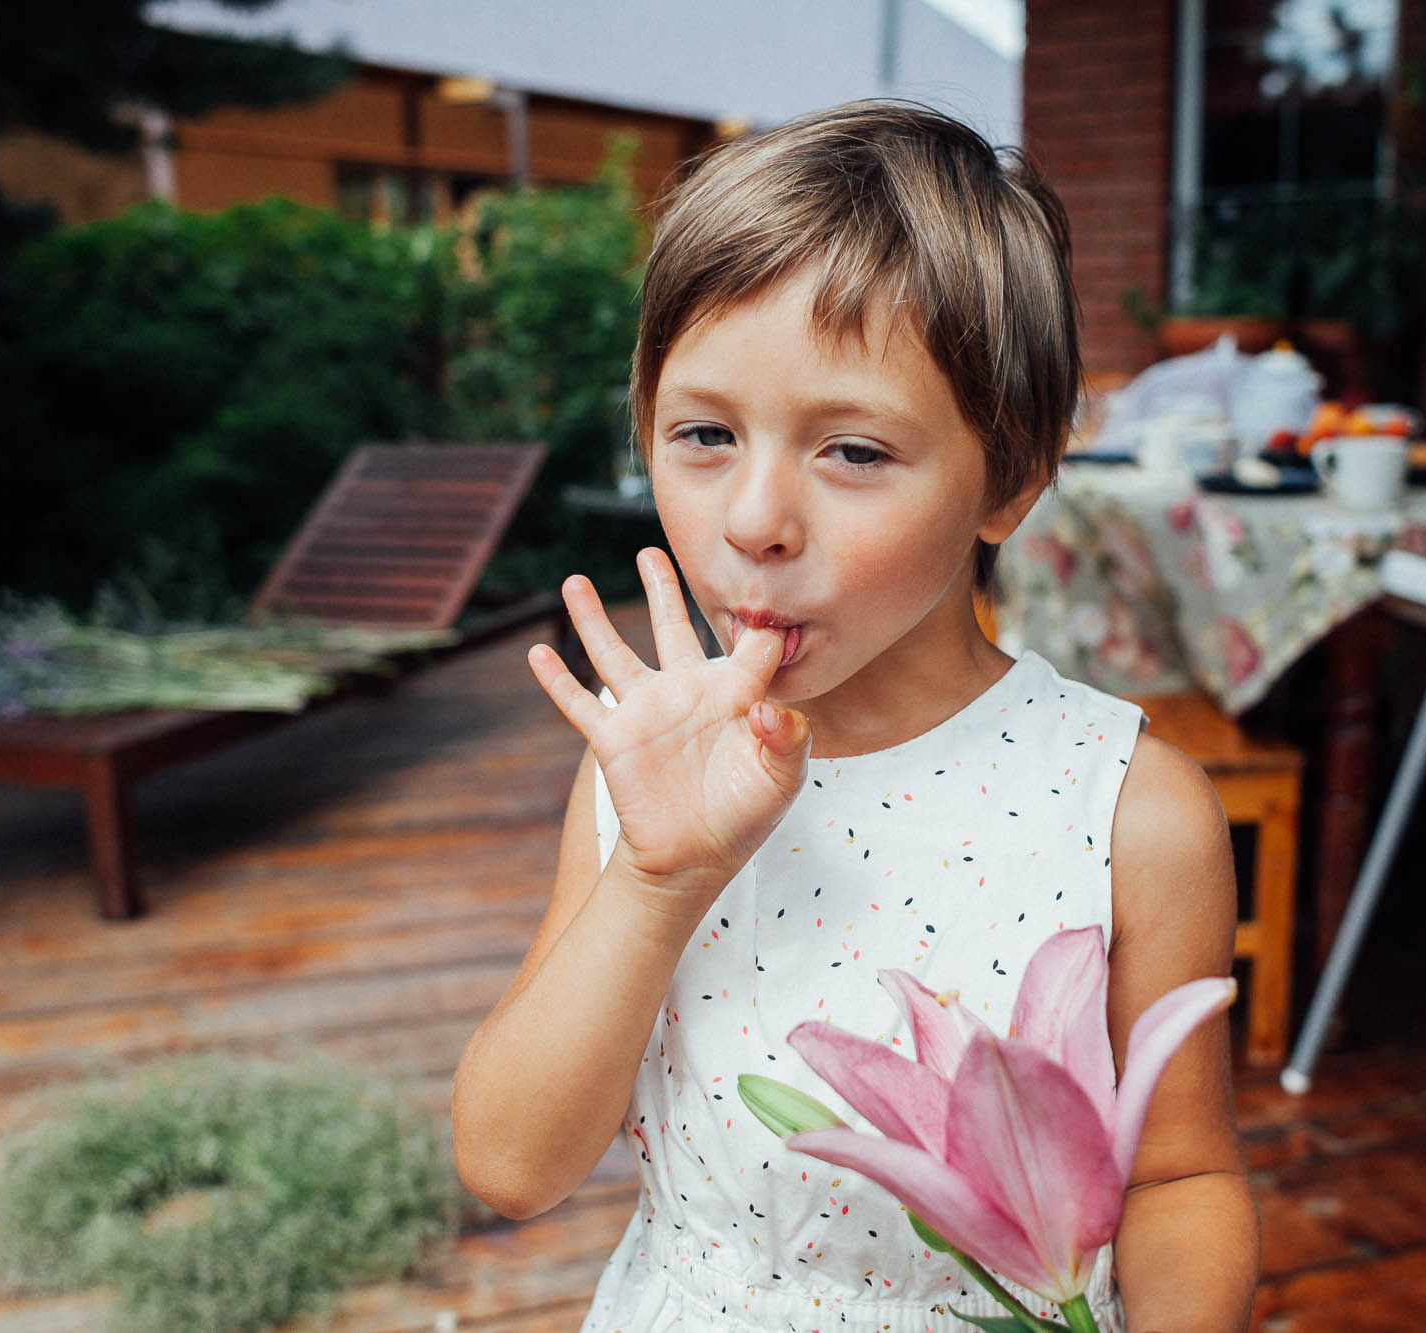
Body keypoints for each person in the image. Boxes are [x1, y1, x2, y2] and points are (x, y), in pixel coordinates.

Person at [452, 101, 1257, 1332]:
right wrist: (659, 878)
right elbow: (512, 1166)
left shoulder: (1128, 811)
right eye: (704, 434)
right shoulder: (642, 776)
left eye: (854, 452)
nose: (754, 519)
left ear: (1010, 479)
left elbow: (1180, 1176)